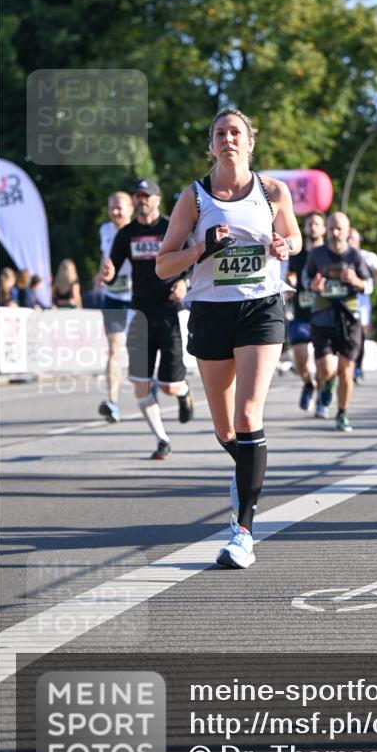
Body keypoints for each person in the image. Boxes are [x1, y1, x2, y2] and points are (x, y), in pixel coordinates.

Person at [155, 107, 301, 570]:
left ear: (249, 142)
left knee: (248, 412)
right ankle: (246, 471)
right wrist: (202, 248)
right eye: (219, 132)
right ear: (211, 143)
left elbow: (293, 239)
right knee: (225, 429)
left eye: (235, 132)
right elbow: (163, 265)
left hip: (261, 307)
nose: (227, 139)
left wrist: (284, 246)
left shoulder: (272, 191)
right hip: (212, 312)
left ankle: (243, 531)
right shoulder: (193, 198)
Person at [101, 178, 195, 460]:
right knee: (140, 382)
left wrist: (184, 283)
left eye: (146, 195)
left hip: (169, 311)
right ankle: (162, 439)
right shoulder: (126, 233)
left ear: (157, 199)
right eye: (138, 196)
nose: (141, 200)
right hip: (140, 312)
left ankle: (183, 391)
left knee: (168, 386)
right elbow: (114, 267)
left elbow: (194, 260)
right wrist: (107, 273)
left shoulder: (172, 227)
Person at [303, 211, 372, 432]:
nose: (334, 233)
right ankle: (327, 383)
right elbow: (306, 279)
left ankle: (342, 413)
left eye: (339, 228)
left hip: (349, 318)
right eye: (331, 228)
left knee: (346, 370)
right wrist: (313, 285)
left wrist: (357, 282)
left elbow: (369, 285)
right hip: (322, 316)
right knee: (325, 369)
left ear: (347, 230)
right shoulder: (316, 254)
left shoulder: (355, 256)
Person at [97, 191, 134, 423]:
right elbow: (105, 256)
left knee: (140, 351)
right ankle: (113, 401)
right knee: (113, 349)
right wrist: (100, 275)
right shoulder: (105, 230)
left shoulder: (137, 232)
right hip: (113, 297)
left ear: (131, 209)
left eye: (120, 207)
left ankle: (150, 391)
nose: (116, 211)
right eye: (112, 207)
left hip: (136, 297)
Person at [286, 211, 327, 411]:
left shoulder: (329, 253)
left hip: (324, 315)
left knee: (323, 365)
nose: (312, 227)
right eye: (309, 224)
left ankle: (321, 392)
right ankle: (308, 383)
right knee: (300, 357)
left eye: (316, 224)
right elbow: (288, 272)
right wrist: (290, 281)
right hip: (302, 315)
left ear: (324, 229)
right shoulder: (297, 253)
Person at [348, 226, 377, 384]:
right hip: (341, 301)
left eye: (353, 237)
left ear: (358, 241)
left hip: (361, 302)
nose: (350, 240)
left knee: (359, 336)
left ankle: (357, 367)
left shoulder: (367, 256)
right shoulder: (336, 255)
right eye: (348, 236)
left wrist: (376, 276)